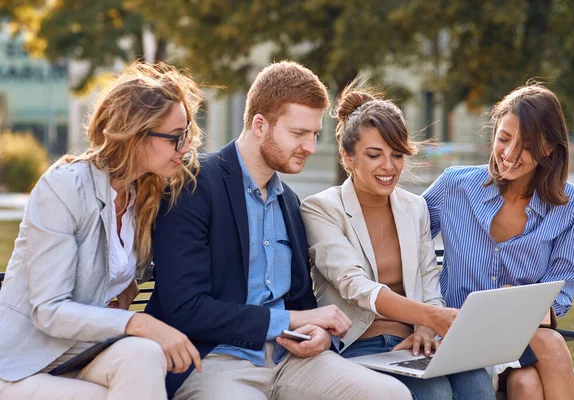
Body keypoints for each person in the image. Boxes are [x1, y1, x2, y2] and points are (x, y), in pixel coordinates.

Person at [145, 61, 413, 400]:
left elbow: (301, 301)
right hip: (215, 360)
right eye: (298, 134)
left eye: (314, 134)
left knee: (391, 395)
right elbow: (187, 308)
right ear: (260, 125)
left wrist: (320, 334)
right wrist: (294, 320)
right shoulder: (193, 185)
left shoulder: (289, 201)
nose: (310, 147)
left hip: (292, 360)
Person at [0, 61, 203, 400]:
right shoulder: (65, 187)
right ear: (136, 135)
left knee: (146, 356)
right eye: (175, 138)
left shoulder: (144, 194)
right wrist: (139, 323)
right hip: (18, 364)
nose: (184, 150)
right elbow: (48, 310)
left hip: (82, 353)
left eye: (187, 135)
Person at [300, 81, 496, 400]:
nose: (389, 167)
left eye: (397, 154)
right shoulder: (321, 208)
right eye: (374, 155)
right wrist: (430, 316)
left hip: (413, 341)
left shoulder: (414, 206)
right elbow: (355, 285)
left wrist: (425, 328)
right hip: (358, 345)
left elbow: (429, 282)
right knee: (435, 393)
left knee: (476, 384)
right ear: (347, 156)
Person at [423, 83, 574, 400]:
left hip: (520, 336)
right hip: (454, 331)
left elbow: (561, 294)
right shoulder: (454, 187)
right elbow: (406, 238)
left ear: (549, 149)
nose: (510, 153)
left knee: (526, 383)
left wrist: (529, 307)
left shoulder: (573, 207)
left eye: (526, 145)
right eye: (504, 138)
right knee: (548, 351)